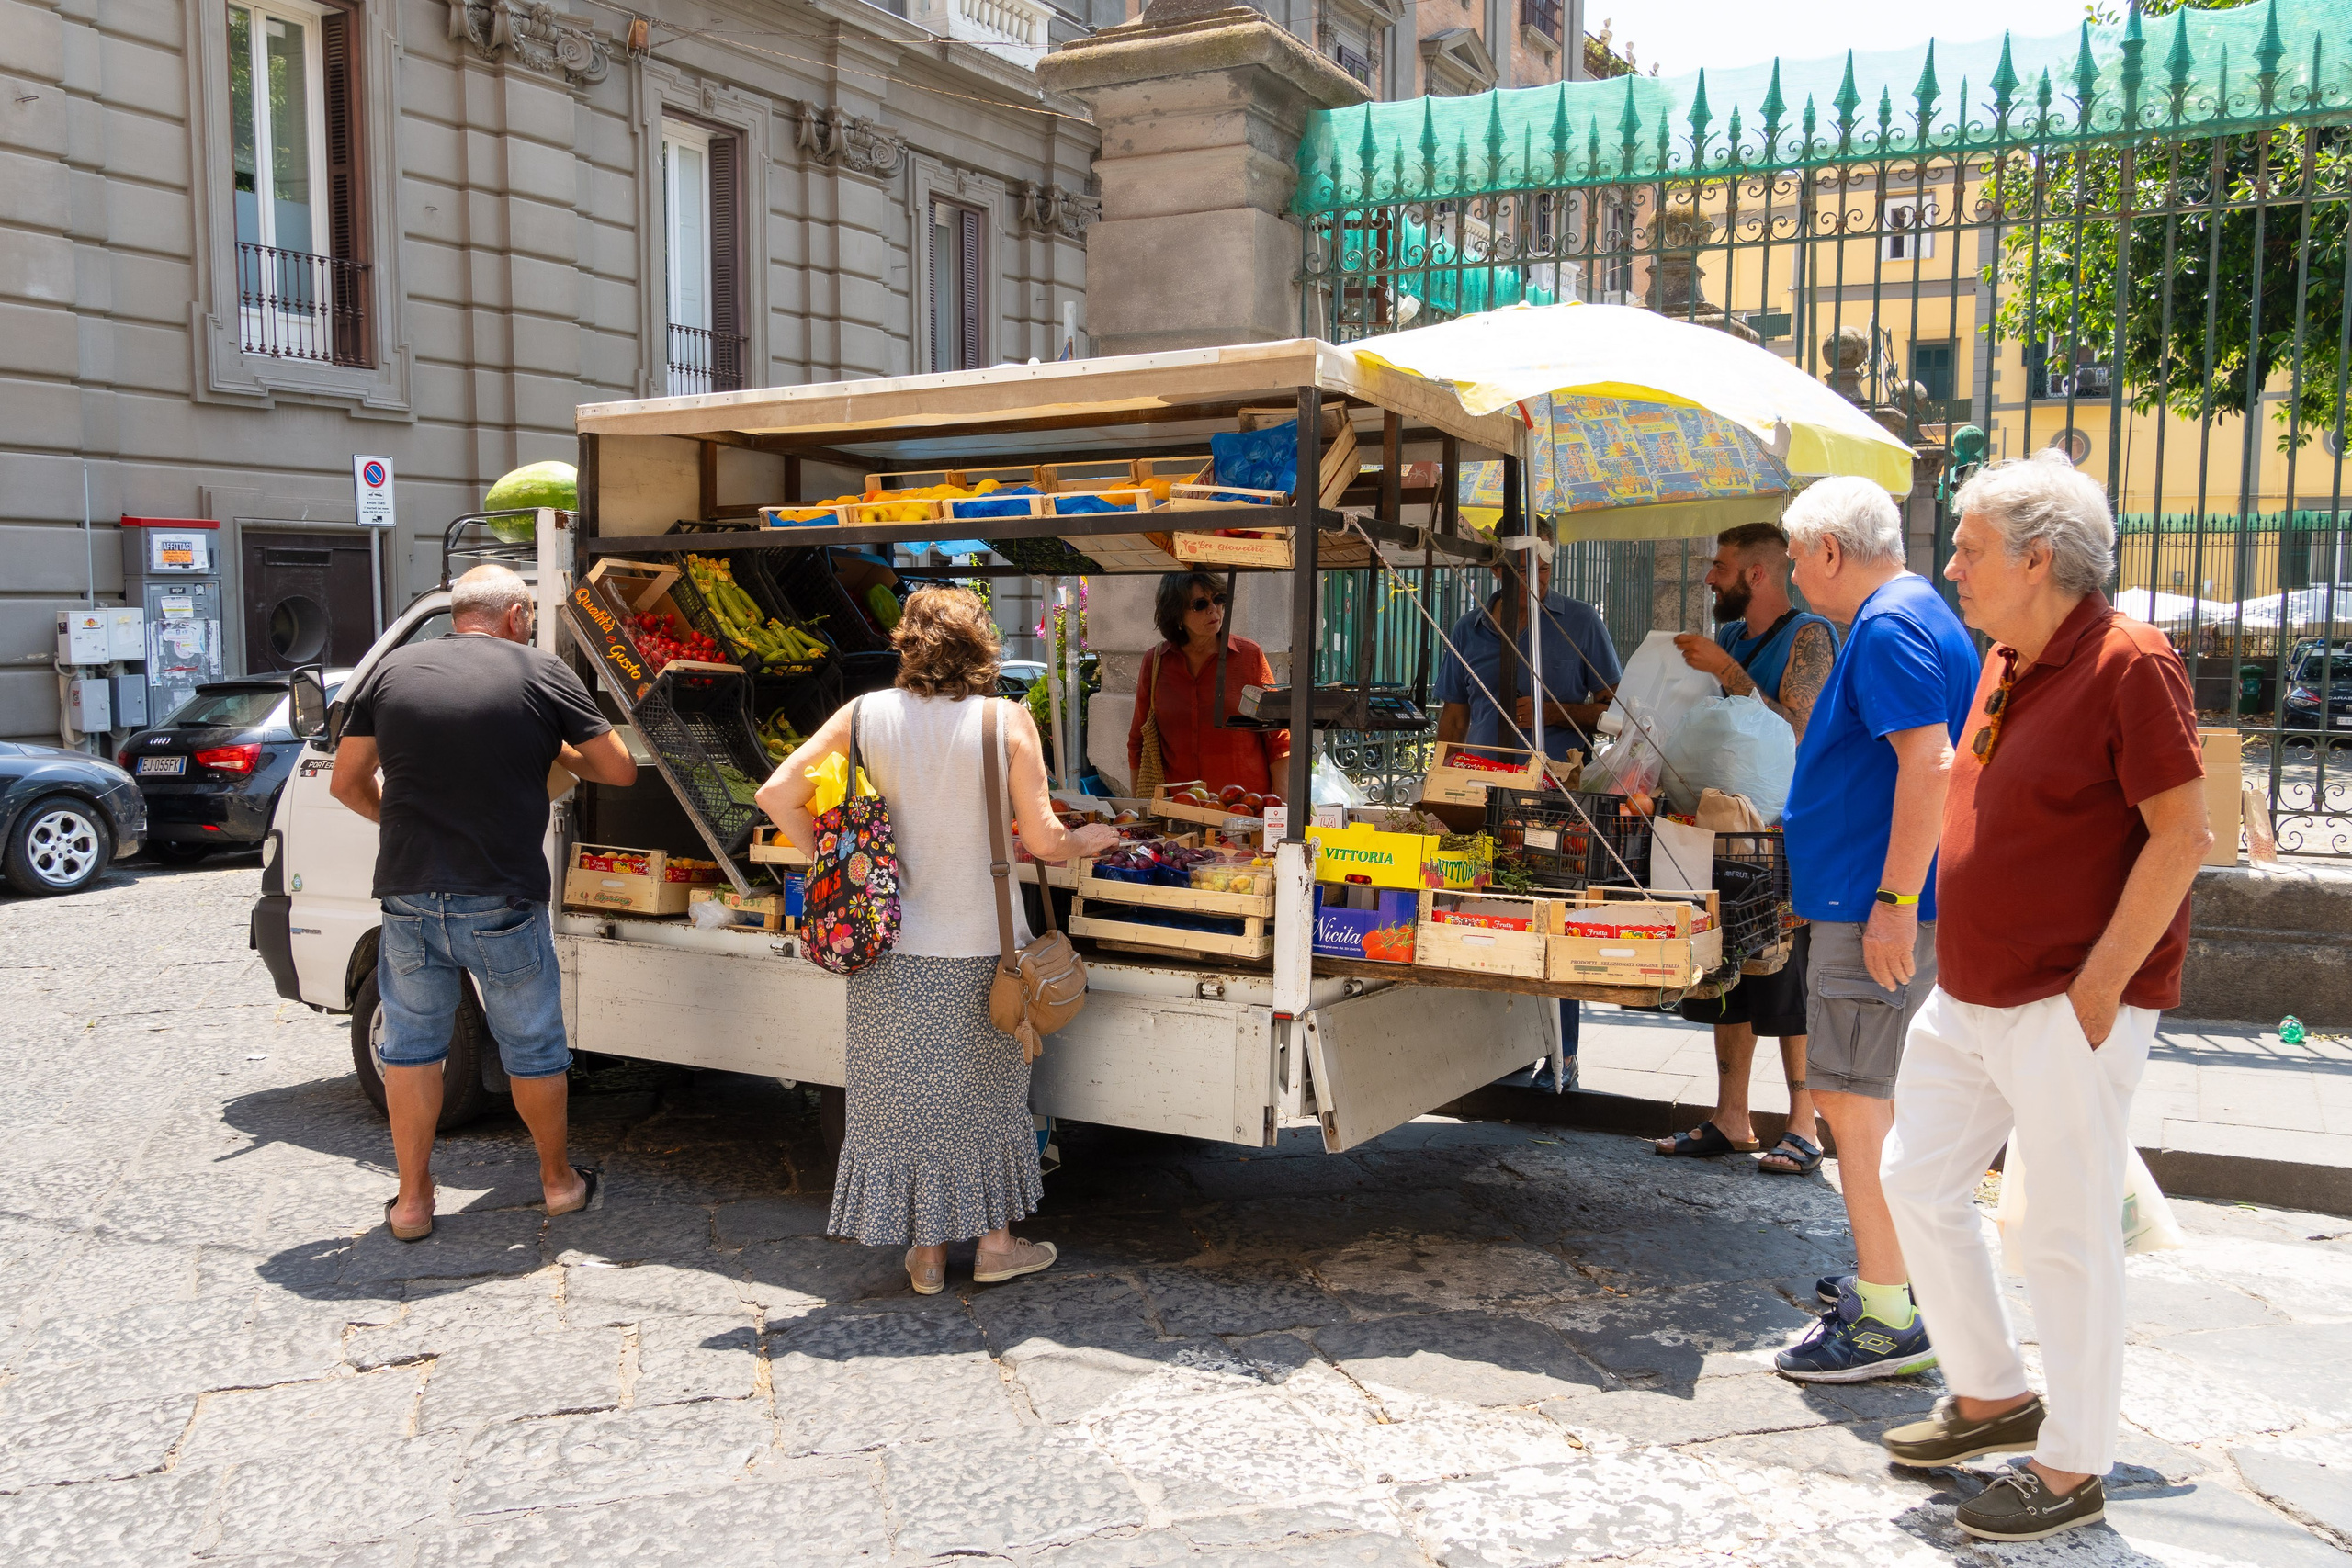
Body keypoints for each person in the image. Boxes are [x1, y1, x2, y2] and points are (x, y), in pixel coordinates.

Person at [1878, 455, 2211, 1543]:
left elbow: (2182, 837)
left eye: (1968, 547)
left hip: (2064, 1001)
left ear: (2037, 556)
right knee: (1914, 1178)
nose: (1952, 566)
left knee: (2063, 1235)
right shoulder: (2006, 658)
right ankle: (1989, 1397)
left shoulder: (2131, 664)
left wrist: (2098, 992)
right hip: (1971, 991)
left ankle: (2071, 1465)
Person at [760, 588, 1121, 1295]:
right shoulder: (1006, 722)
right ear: (982, 649)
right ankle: (995, 1246)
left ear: (909, 643)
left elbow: (776, 794)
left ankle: (926, 1256)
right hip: (985, 950)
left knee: (910, 1103)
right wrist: (1091, 837)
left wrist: (832, 859)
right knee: (984, 1103)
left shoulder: (863, 715)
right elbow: (1044, 841)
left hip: (887, 948)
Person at [330, 565, 638, 1242]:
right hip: (500, 894)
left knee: (411, 1048)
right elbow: (617, 768)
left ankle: (412, 1203)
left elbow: (346, 783)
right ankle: (558, 1183)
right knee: (532, 1048)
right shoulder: (540, 672)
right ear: (517, 616)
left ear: (456, 613)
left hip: (408, 894)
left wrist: (402, 827)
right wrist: (549, 744)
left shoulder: (391, 671)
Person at [1771, 477, 1979, 1382]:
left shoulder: (1888, 626)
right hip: (1879, 902)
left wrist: (1893, 900)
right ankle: (1902, 1284)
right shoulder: (1916, 613)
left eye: (1791, 555)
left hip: (1874, 911)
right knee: (1876, 1100)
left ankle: (1887, 1315)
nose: (1788, 572)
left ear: (1826, 549)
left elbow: (1926, 765)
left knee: (1853, 1104)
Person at [1656, 523, 1838, 1175]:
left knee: (1787, 980)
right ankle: (1732, 1117)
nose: (1709, 576)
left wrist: (1730, 674)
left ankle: (1804, 1125)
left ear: (1757, 574)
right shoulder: (1729, 636)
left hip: (1785, 837)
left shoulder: (1809, 637)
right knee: (1728, 972)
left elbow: (1800, 730)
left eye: (1721, 565)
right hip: (1725, 833)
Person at [1125, 572, 1290, 799]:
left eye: (1219, 599)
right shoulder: (1156, 662)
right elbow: (1138, 742)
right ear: (1176, 613)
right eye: (1200, 604)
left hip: (1245, 809)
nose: (1214, 609)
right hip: (1178, 808)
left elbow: (1278, 738)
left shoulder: (1248, 655)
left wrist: (1281, 811)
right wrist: (1140, 810)